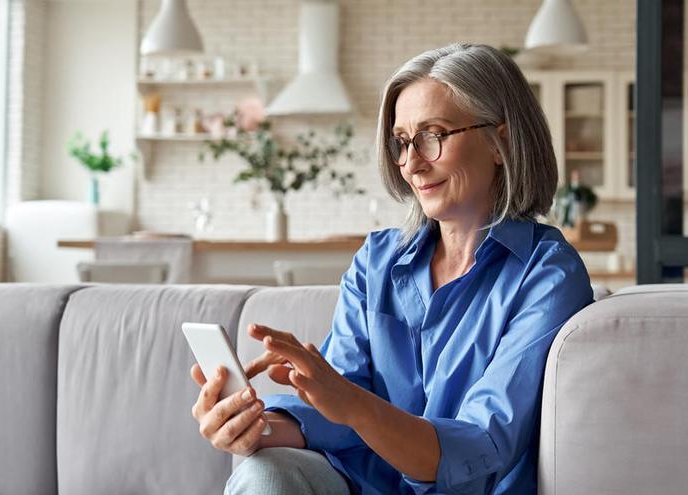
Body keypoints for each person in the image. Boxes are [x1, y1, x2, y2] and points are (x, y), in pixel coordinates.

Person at [190, 42, 593, 495]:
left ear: (500, 142)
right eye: (402, 141)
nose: (411, 163)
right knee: (263, 470)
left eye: (433, 135)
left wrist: (351, 404)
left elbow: (482, 445)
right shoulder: (376, 261)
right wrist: (255, 425)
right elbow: (339, 412)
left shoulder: (547, 274)